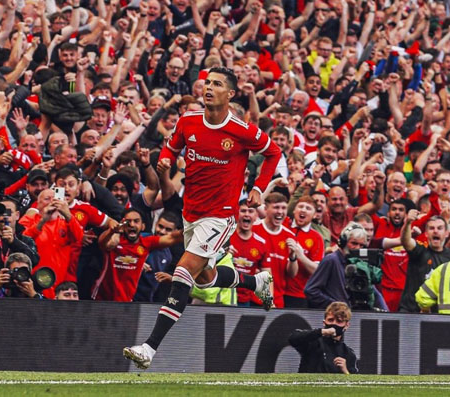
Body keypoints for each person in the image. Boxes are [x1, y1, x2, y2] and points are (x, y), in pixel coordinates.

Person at [123, 67, 280, 369]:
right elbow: (171, 147)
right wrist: (166, 159)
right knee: (205, 279)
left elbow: (273, 153)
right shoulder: (188, 121)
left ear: (230, 94)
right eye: (207, 83)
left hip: (220, 216)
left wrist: (259, 187)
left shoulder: (241, 130)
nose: (209, 88)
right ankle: (255, 282)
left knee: (183, 273)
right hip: (190, 213)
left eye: (217, 84)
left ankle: (149, 348)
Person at [399, 212, 450, 312]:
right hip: (411, 311)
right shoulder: (419, 251)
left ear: (447, 233)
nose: (435, 231)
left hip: (437, 314)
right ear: (426, 233)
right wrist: (408, 223)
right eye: (431, 228)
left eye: (439, 228)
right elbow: (405, 240)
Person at [305, 222, 368, 308]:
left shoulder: (358, 264)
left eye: (361, 245)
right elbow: (311, 290)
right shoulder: (331, 260)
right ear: (343, 242)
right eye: (354, 243)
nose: (357, 248)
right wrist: (336, 306)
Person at [288, 301, 358, 374]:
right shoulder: (313, 342)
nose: (334, 323)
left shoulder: (348, 353)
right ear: (324, 323)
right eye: (330, 320)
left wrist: (345, 371)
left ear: (346, 325)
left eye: (339, 321)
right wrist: (322, 332)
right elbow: (293, 338)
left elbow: (354, 382)